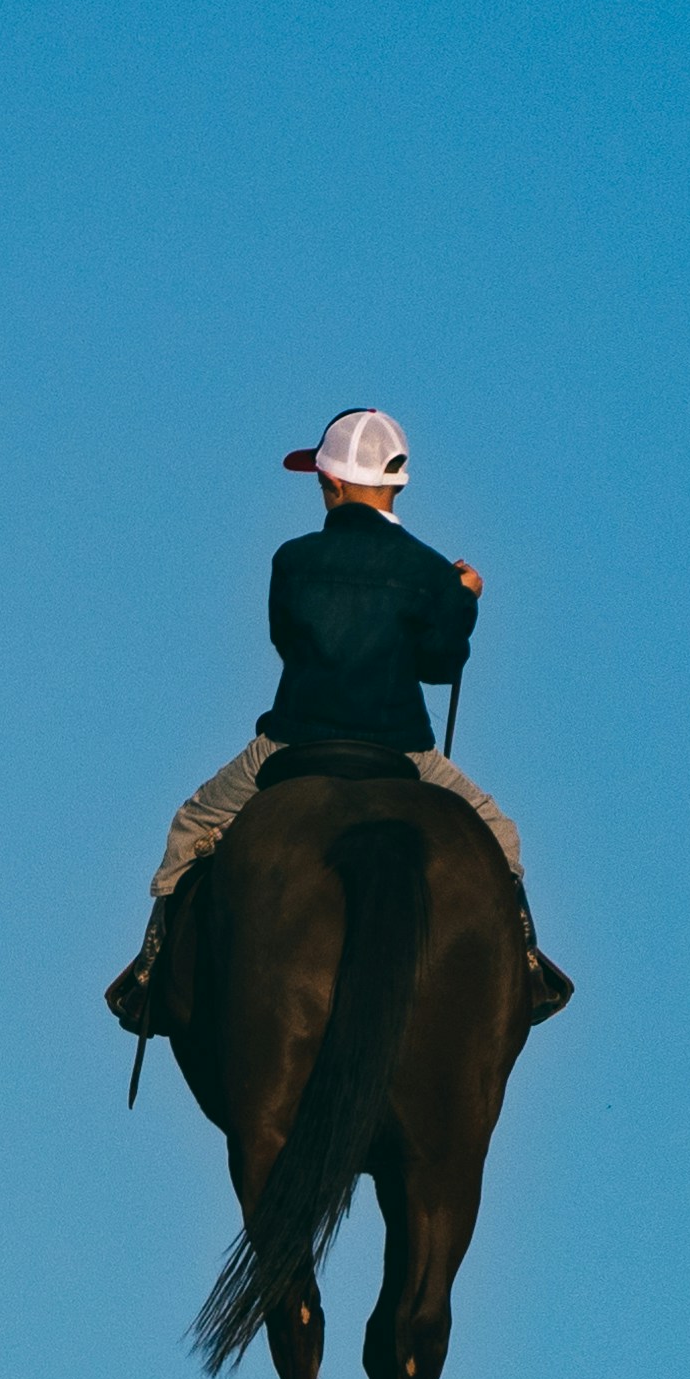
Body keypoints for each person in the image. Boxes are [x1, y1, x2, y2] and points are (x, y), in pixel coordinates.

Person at [107, 405, 572, 1033]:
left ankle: (149, 977)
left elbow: (288, 640)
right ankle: (529, 970)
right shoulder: (432, 572)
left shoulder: (292, 560)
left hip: (293, 740)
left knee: (190, 826)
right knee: (501, 838)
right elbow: (440, 664)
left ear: (331, 482)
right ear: (396, 482)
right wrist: (461, 601)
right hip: (402, 750)